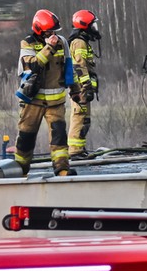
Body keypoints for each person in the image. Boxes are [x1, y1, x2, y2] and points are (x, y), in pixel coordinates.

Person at [14, 9, 83, 177]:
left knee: (59, 138)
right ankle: (20, 171)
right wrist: (49, 47)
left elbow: (68, 67)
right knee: (26, 137)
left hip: (56, 102)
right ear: (39, 29)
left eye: (54, 31)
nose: (52, 34)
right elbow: (33, 65)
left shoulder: (62, 42)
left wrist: (75, 90)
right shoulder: (28, 43)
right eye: (48, 31)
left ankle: (62, 169)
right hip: (33, 101)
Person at [67, 10, 101, 160]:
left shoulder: (83, 41)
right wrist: (86, 86)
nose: (95, 27)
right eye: (93, 24)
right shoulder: (79, 42)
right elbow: (79, 66)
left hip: (84, 88)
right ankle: (74, 151)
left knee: (85, 120)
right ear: (85, 25)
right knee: (79, 117)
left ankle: (80, 149)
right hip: (80, 88)